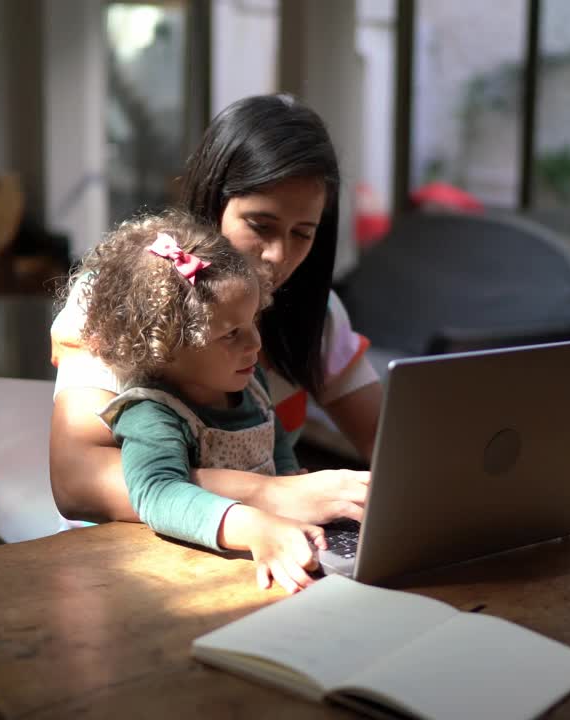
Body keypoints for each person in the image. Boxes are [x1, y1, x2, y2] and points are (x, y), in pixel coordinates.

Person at [49, 94, 382, 529]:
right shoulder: (118, 295)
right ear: (212, 202)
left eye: (303, 234)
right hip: (120, 561)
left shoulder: (317, 314)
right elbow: (77, 481)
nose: (278, 255)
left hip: (258, 552)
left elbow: (396, 449)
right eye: (260, 226)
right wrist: (268, 494)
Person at [78, 211, 325, 592]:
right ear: (166, 345)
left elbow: (273, 437)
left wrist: (289, 477)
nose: (255, 344)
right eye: (231, 334)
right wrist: (253, 526)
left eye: (253, 322)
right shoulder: (151, 413)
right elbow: (156, 493)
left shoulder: (249, 381)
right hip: (178, 577)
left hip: (266, 551)